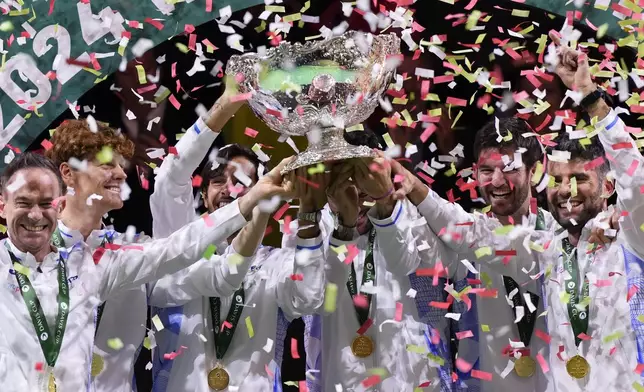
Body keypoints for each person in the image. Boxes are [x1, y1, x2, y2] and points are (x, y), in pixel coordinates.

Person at [0, 151, 289, 392]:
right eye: (24, 203)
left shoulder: (96, 265)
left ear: (59, 203)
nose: (35, 215)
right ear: (3, 206)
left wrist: (252, 201)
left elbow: (179, 246)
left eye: (45, 204)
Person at [43, 85, 251, 392]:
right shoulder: (27, 253)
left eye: (121, 165)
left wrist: (254, 204)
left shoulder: (133, 252)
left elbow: (213, 272)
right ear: (68, 173)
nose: (121, 174)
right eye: (107, 164)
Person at [147, 89, 327, 392]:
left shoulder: (275, 263)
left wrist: (308, 210)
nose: (229, 191)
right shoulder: (180, 252)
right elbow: (169, 178)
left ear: (262, 190)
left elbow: (308, 297)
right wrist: (225, 106)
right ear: (203, 195)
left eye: (242, 183)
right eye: (218, 181)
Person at [297, 129, 454, 392]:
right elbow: (311, 296)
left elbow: (403, 262)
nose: (356, 200)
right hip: (339, 379)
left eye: (365, 188)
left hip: (411, 378)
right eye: (346, 187)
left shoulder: (412, 216)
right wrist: (342, 227)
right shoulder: (307, 230)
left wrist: (384, 206)